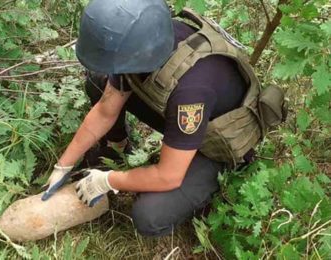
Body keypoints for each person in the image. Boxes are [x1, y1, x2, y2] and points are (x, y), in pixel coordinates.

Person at [43, 0, 274, 237]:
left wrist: (108, 180)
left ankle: (202, 192)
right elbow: (105, 109)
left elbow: (168, 176)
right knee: (98, 81)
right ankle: (116, 148)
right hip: (187, 116)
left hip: (218, 145)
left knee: (150, 216)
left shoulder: (191, 93)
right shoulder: (145, 39)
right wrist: (64, 164)